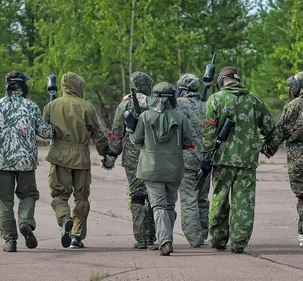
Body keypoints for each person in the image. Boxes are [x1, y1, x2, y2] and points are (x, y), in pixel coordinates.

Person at [201, 67, 275, 254]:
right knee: (244, 201)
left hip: (222, 159)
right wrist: (264, 145)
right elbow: (269, 127)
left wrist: (206, 156)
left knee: (219, 198)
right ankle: (239, 242)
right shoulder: (254, 99)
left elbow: (209, 131)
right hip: (247, 161)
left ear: (221, 81)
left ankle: (218, 240)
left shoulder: (216, 99)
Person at [0, 71, 53, 252]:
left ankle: (10, 240)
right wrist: (52, 121)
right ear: (22, 86)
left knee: (5, 200)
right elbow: (46, 133)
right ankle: (25, 222)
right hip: (26, 161)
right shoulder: (31, 106)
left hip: (2, 162)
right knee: (28, 195)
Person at [261, 71, 303, 251]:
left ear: (301, 85)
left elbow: (280, 131)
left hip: (299, 161)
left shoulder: (293, 106)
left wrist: (267, 149)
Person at [43, 72, 110, 249]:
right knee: (81, 198)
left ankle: (65, 218)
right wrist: (106, 153)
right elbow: (97, 133)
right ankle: (77, 236)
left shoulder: (52, 105)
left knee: (59, 195)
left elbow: (44, 130)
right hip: (81, 157)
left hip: (58, 156)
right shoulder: (87, 107)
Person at [130, 82, 193, 256]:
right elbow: (188, 142)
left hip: (151, 168)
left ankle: (165, 241)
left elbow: (136, 140)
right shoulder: (180, 118)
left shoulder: (145, 116)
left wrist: (130, 128)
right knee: (170, 205)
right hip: (174, 170)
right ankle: (166, 238)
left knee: (158, 206)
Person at [107, 72, 156, 249]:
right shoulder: (154, 103)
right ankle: (152, 236)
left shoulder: (124, 105)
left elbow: (116, 133)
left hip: (132, 158)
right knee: (153, 195)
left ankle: (141, 238)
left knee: (137, 196)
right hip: (153, 156)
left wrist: (111, 155)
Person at [176, 74, 210, 247]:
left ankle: (194, 238)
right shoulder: (208, 104)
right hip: (206, 159)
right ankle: (203, 234)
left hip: (186, 160)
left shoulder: (178, 104)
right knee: (202, 199)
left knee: (189, 199)